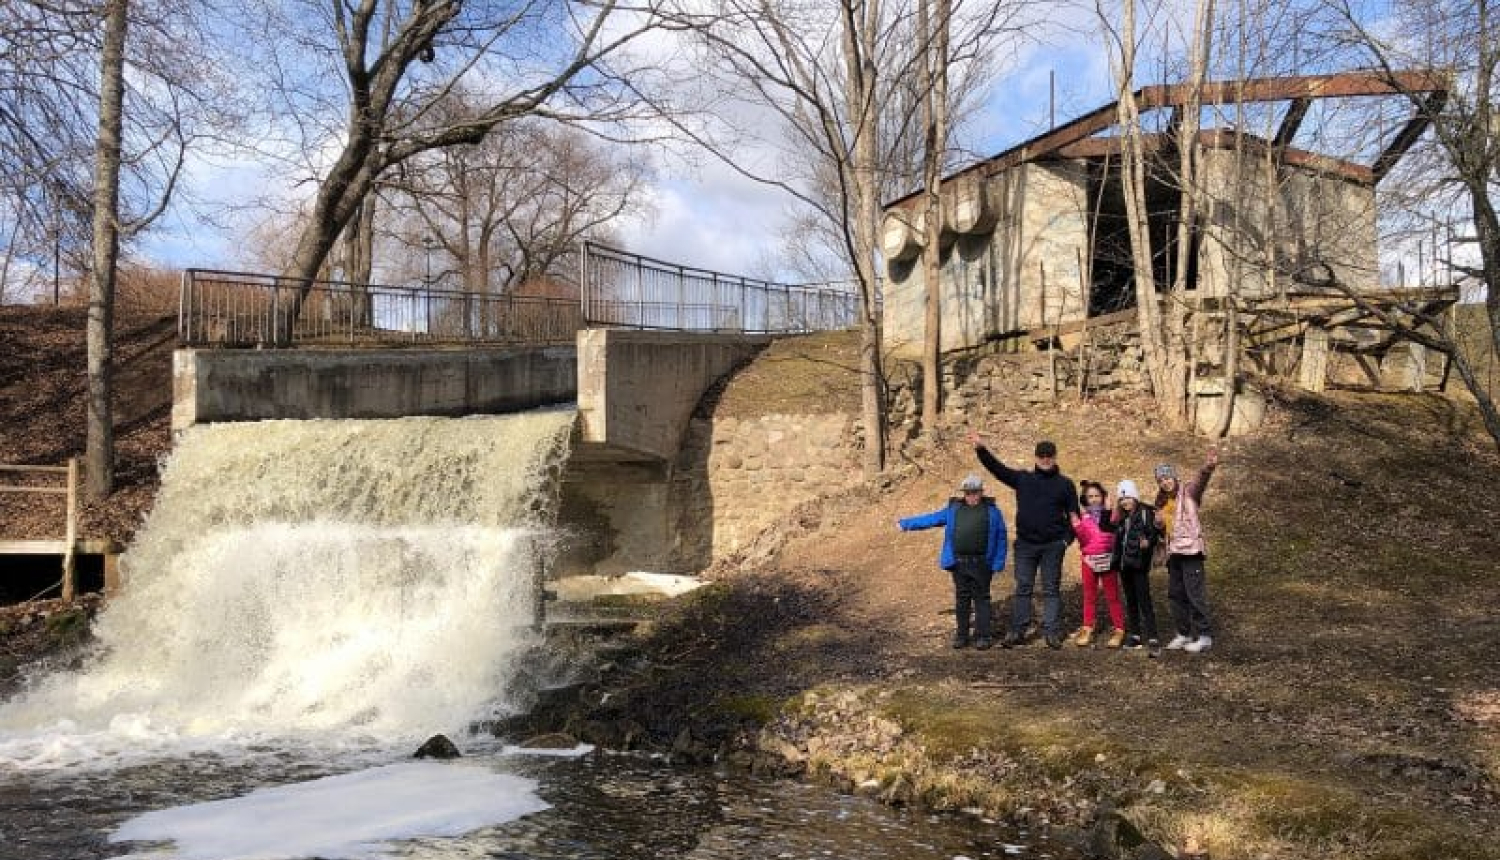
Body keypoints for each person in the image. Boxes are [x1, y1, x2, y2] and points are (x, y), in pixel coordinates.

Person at [968, 433, 1080, 649]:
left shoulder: (1065, 485)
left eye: (1049, 455)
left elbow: (1074, 515)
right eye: (1041, 455)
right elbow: (997, 469)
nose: (1045, 459)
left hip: (1053, 545)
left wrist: (1066, 541)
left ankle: (1052, 631)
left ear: (1055, 457)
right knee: (1023, 588)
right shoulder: (1023, 479)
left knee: (1051, 589)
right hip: (1026, 545)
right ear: (1035, 457)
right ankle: (1018, 631)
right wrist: (981, 449)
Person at [898, 474, 1009, 650]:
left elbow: (1001, 537)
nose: (971, 496)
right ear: (964, 493)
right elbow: (932, 519)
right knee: (962, 600)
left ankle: (983, 636)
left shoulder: (992, 511)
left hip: (982, 564)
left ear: (981, 492)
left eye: (974, 492)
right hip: (959, 563)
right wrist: (906, 524)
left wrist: (998, 562)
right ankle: (962, 636)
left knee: (982, 600)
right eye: (968, 493)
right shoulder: (954, 509)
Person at [1154, 449, 1220, 653]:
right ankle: (1183, 634)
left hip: (1191, 552)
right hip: (1173, 554)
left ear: (1174, 477)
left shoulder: (1189, 492)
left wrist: (1208, 467)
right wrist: (1158, 525)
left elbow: (1201, 481)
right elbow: (1165, 530)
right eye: (1161, 480)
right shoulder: (1161, 502)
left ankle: (1204, 636)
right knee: (1175, 595)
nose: (1165, 482)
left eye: (1167, 478)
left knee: (1194, 594)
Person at [1068, 481, 1126, 649]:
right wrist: (1076, 525)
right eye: (1090, 496)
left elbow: (1111, 532)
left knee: (1112, 596)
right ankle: (1087, 627)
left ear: (1103, 497)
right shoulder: (1083, 517)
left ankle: (1119, 629)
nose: (1094, 499)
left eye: (1097, 496)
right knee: (1089, 595)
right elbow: (1083, 540)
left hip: (1107, 560)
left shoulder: (1112, 514)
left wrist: (1109, 508)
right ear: (1085, 499)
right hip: (1088, 560)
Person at [1110, 479, 1163, 657]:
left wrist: (1148, 542)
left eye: (1128, 498)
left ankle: (1153, 637)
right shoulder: (1121, 517)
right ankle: (1135, 635)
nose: (1125, 502)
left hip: (1139, 564)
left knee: (1144, 600)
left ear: (1135, 497)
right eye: (1122, 499)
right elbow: (1114, 536)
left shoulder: (1146, 513)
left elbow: (1154, 533)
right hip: (1124, 565)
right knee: (1131, 600)